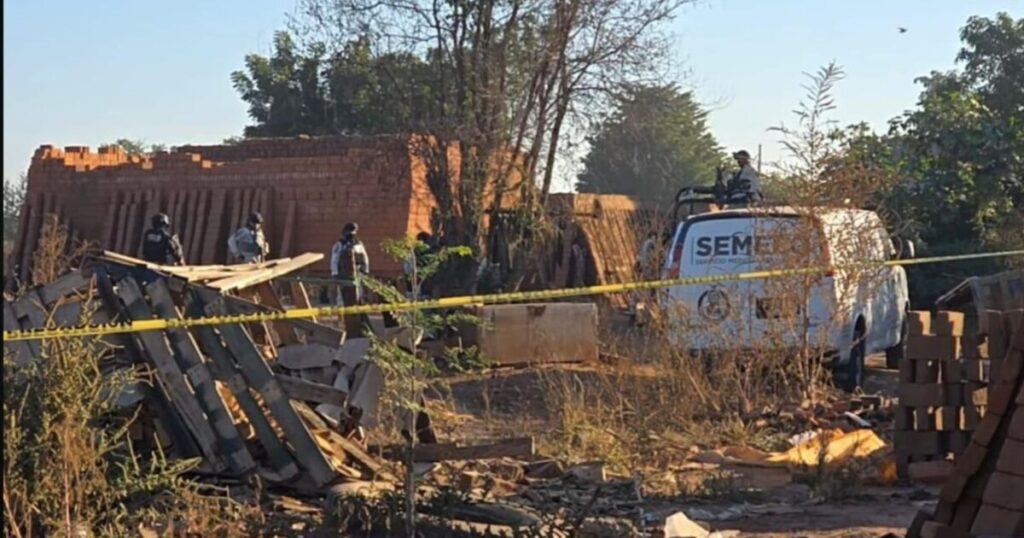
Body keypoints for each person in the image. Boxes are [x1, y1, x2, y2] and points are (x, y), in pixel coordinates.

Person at [331, 223, 370, 335]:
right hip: (343, 274)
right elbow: (334, 260)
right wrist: (335, 274)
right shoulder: (339, 245)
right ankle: (342, 323)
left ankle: (359, 323)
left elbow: (364, 258)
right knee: (341, 298)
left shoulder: (358, 244)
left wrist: (365, 271)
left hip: (357, 273)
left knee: (359, 296)